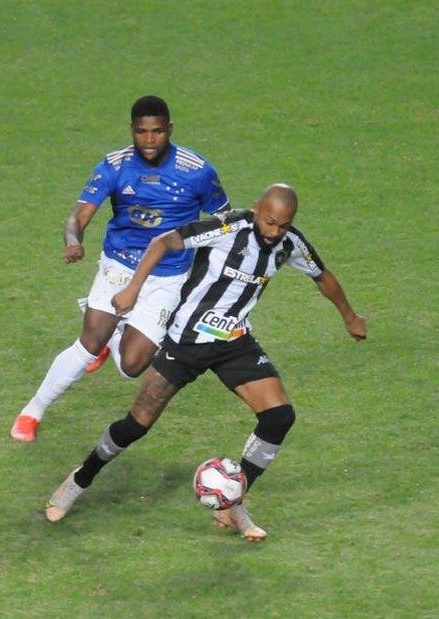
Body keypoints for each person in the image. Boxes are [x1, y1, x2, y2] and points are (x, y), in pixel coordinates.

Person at [43, 184, 367, 540]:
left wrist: (350, 317)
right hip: (184, 342)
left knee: (279, 417)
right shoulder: (229, 227)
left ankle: (231, 505)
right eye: (270, 222)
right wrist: (134, 289)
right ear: (258, 209)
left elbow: (323, 277)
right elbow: (164, 242)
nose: (275, 233)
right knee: (136, 425)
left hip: (234, 341)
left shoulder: (291, 244)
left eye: (283, 225)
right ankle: (79, 480)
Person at [10, 95, 230, 443]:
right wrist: (73, 241)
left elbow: (223, 223)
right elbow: (78, 216)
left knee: (131, 367)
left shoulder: (197, 171)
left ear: (169, 129)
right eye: (141, 132)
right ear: (132, 130)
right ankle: (32, 411)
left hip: (167, 276)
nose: (149, 140)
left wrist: (202, 274)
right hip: (120, 266)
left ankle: (115, 337)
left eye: (157, 132)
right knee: (88, 341)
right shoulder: (115, 165)